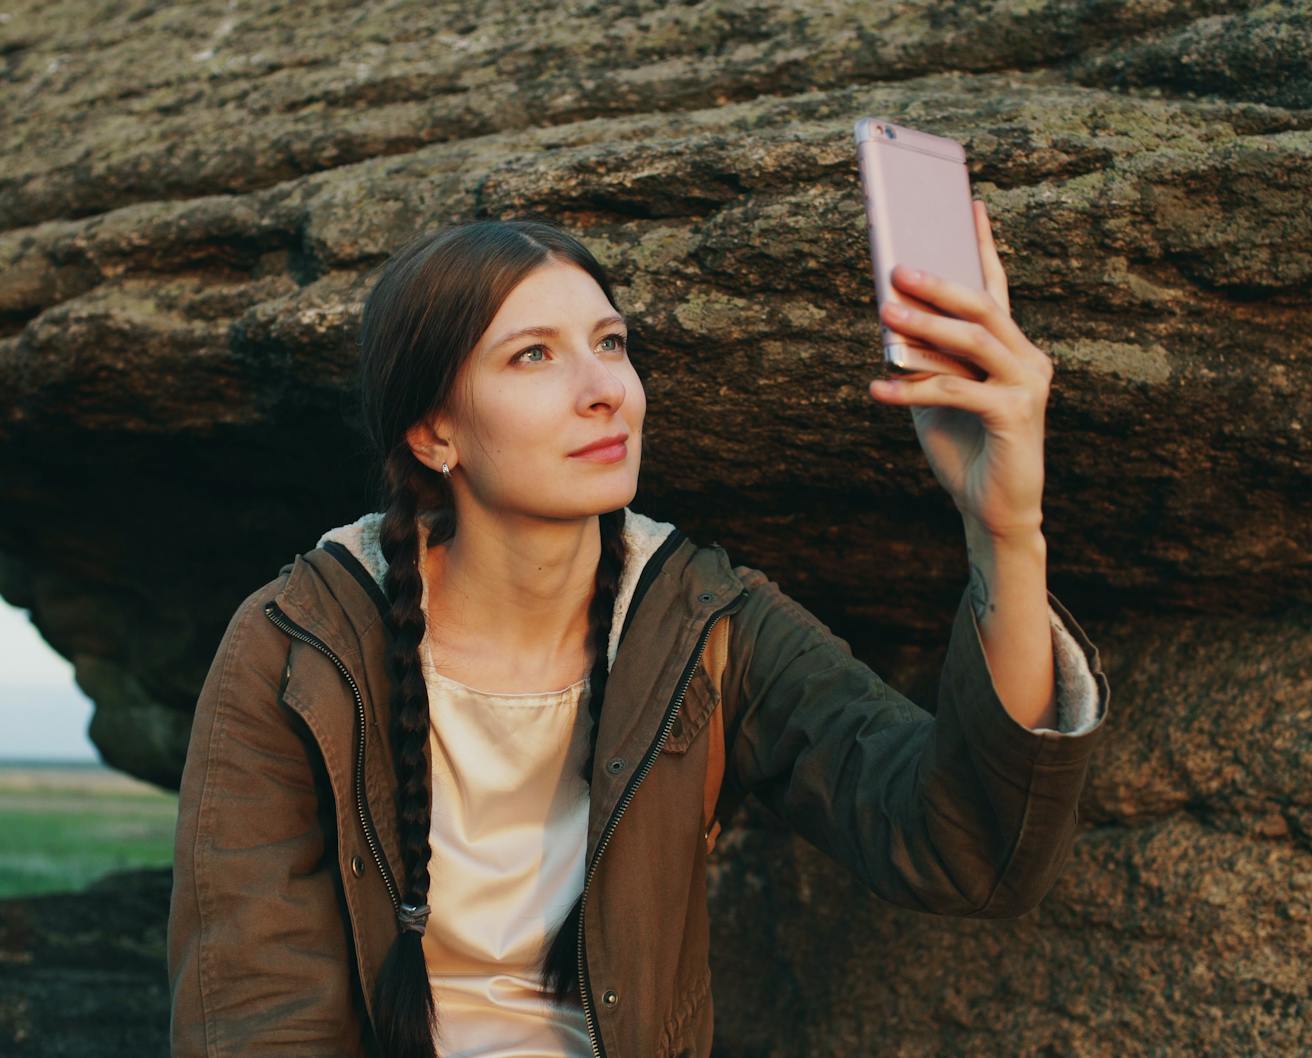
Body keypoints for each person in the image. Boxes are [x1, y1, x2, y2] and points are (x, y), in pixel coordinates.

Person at [166, 213, 1111, 1058]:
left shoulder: (701, 621)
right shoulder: (299, 646)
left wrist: (1003, 531)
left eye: (610, 343)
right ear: (433, 434)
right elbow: (254, 1016)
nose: (603, 389)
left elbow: (966, 849)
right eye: (532, 355)